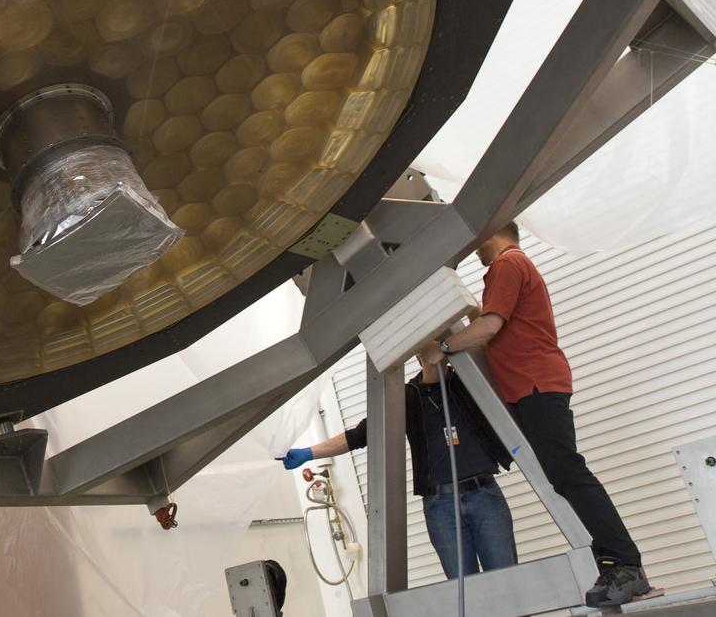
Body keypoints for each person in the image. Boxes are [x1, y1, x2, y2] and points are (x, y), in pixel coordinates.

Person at [422, 222, 654, 608]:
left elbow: (489, 326)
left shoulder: (507, 264)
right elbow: (491, 320)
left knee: (568, 472)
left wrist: (441, 347)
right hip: (531, 384)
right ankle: (619, 563)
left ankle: (625, 565)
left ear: (492, 231)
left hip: (535, 384)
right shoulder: (511, 270)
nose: (474, 249)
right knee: (563, 474)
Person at [278, 354, 517, 579]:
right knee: (464, 587)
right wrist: (309, 453)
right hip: (441, 506)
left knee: (507, 580)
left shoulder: (467, 381)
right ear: (418, 356)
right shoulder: (407, 397)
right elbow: (361, 434)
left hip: (484, 495)